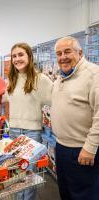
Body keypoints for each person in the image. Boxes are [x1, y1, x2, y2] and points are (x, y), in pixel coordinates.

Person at [50, 36, 99, 200]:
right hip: (62, 147)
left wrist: (90, 148)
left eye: (67, 52)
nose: (62, 57)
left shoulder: (94, 75)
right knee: (66, 192)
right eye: (58, 53)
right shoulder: (61, 76)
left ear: (80, 52)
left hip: (81, 150)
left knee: (84, 195)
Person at [4, 42, 53, 200]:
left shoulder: (41, 79)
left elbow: (55, 100)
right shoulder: (11, 80)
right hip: (14, 131)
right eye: (14, 56)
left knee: (28, 174)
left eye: (21, 55)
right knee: (16, 174)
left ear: (29, 57)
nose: (17, 59)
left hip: (32, 132)